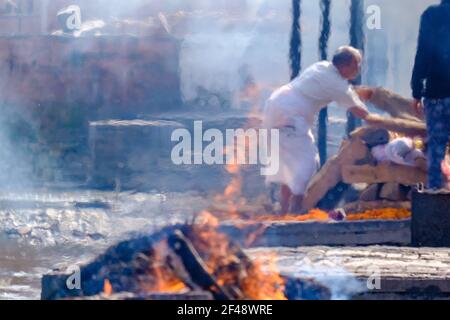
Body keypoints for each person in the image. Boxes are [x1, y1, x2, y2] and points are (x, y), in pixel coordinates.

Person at [263, 46, 370, 213]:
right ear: (347, 65)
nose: (358, 69)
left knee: (288, 162)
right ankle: (296, 209)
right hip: (291, 115)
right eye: (357, 64)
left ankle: (283, 209)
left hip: (275, 104)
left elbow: (345, 92)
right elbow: (358, 109)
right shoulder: (335, 83)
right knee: (308, 161)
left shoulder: (322, 67)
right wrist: (382, 121)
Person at [411, 0, 450, 190]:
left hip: (436, 95)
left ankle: (434, 196)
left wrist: (416, 90)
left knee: (436, 148)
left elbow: (423, 52)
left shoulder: (431, 15)